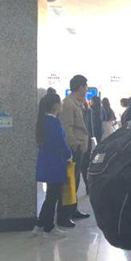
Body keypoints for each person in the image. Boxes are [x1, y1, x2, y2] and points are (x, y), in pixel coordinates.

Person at [33, 93, 72, 238]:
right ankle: (49, 227)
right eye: (60, 102)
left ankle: (40, 225)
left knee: (50, 195)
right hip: (55, 163)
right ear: (56, 105)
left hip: (46, 162)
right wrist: (69, 155)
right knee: (53, 196)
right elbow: (60, 142)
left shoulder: (43, 121)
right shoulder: (54, 122)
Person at [59, 74, 91, 227]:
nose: (87, 89)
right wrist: (75, 145)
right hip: (74, 149)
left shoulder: (77, 103)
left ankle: (73, 209)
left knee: (75, 181)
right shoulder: (68, 104)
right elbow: (67, 127)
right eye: (85, 86)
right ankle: (64, 215)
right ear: (80, 87)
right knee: (70, 182)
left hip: (80, 147)